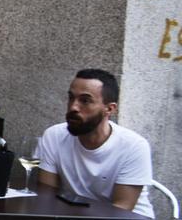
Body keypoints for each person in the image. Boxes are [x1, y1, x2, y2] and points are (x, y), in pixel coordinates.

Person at [37, 69, 154, 217]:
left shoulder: (134, 146)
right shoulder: (54, 136)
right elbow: (47, 196)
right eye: (71, 98)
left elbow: (122, 209)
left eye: (85, 100)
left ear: (109, 109)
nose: (73, 107)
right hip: (74, 214)